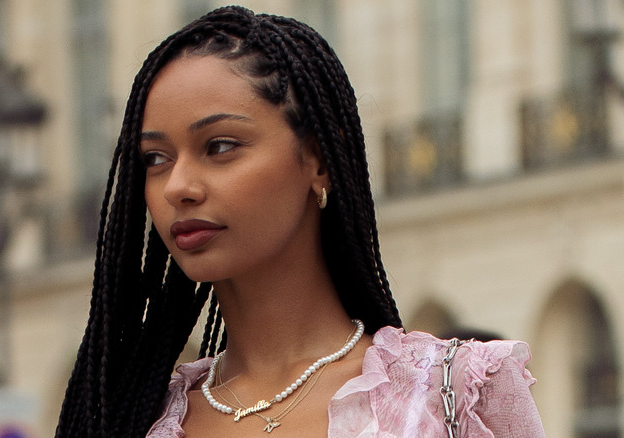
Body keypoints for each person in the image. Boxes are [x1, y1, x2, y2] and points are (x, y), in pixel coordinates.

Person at [55, 6, 545, 437]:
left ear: (318, 159)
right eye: (155, 158)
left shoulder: (455, 393)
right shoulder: (131, 419)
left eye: (220, 146)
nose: (177, 186)